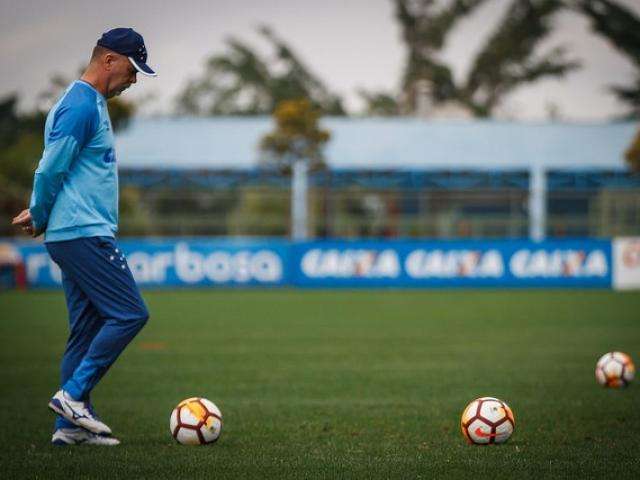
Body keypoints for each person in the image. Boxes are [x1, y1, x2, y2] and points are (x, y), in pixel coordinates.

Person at [12, 28, 156, 446]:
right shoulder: (79, 105)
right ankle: (73, 397)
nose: (134, 80)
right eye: (133, 69)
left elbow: (64, 173)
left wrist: (42, 212)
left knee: (86, 327)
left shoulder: (89, 103)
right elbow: (50, 167)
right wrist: (40, 212)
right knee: (130, 313)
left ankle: (70, 428)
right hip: (83, 231)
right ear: (108, 60)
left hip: (74, 230)